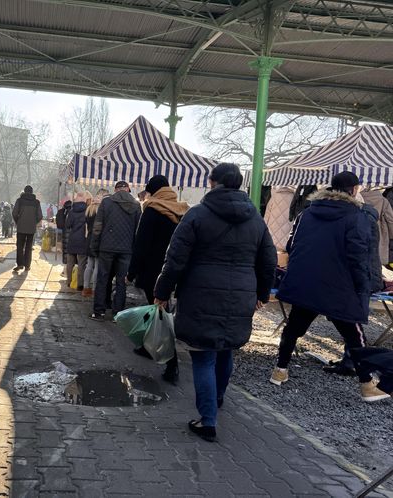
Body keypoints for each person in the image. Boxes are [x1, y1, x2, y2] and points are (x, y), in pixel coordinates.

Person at [154, 163, 277, 442]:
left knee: (204, 355)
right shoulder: (255, 219)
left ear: (212, 182)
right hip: (241, 294)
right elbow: (268, 260)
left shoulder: (197, 214)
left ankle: (207, 420)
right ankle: (218, 397)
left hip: (201, 293)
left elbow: (175, 259)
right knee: (226, 349)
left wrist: (162, 291)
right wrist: (262, 294)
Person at [270, 172, 387, 403]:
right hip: (339, 287)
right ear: (354, 190)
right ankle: (366, 384)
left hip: (306, 282)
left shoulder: (307, 212)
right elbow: (358, 257)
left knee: (293, 328)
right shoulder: (357, 217)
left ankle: (279, 370)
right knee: (354, 336)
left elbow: (290, 245)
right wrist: (362, 287)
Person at [128, 175, 189, 383]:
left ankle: (172, 367)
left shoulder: (152, 209)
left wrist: (131, 271)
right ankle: (147, 347)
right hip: (175, 270)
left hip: (153, 271)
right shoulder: (181, 210)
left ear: (153, 191)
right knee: (157, 312)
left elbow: (141, 244)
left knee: (161, 316)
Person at [90, 181, 141, 321]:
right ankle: (117, 314)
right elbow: (138, 231)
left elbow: (97, 227)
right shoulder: (136, 206)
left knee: (102, 279)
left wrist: (94, 246)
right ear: (128, 189)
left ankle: (99, 311)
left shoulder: (106, 203)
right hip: (126, 250)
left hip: (106, 247)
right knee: (121, 282)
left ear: (115, 189)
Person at [82, 189, 109, 298]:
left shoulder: (88, 209)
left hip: (89, 238)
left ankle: (85, 288)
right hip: (99, 239)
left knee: (89, 265)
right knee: (97, 266)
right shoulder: (101, 210)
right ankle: (94, 290)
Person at [12, 185, 43, 272]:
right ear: (32, 192)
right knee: (29, 247)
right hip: (31, 228)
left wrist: (18, 221)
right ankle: (27, 266)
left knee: (19, 246)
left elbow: (14, 213)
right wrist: (34, 222)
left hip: (21, 227)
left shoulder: (19, 201)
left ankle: (20, 264)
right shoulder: (36, 202)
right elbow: (40, 216)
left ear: (24, 191)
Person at [65, 191, 89, 290]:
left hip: (73, 239)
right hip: (83, 239)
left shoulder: (72, 210)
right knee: (81, 264)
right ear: (84, 198)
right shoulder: (88, 210)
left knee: (70, 262)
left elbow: (67, 225)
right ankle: (80, 284)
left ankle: (69, 281)